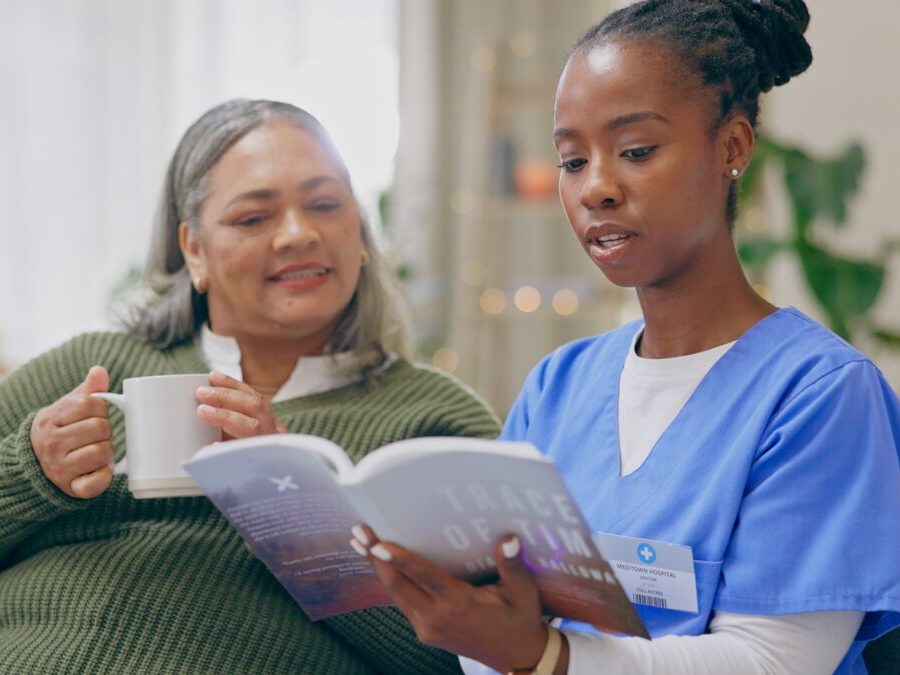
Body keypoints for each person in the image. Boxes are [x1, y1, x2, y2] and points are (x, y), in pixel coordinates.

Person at [351, 2, 900, 673]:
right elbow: (498, 630)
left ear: (732, 147)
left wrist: (545, 654)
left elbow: (773, 660)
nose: (596, 189)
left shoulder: (820, 395)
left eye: (636, 151)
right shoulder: (558, 385)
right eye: (572, 160)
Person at [0, 99, 499, 673]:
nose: (298, 234)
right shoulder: (93, 367)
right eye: (254, 217)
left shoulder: (433, 421)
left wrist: (290, 510)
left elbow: (469, 657)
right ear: (194, 249)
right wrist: (29, 474)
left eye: (325, 205)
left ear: (360, 235)